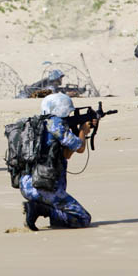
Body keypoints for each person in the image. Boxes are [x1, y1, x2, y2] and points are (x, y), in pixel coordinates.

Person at [20, 93, 93, 231]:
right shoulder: (56, 124)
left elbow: (67, 154)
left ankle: (44, 210)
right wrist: (83, 131)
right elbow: (80, 148)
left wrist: (76, 132)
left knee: (62, 215)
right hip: (44, 187)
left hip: (27, 184)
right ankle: (39, 209)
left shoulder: (37, 124)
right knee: (83, 219)